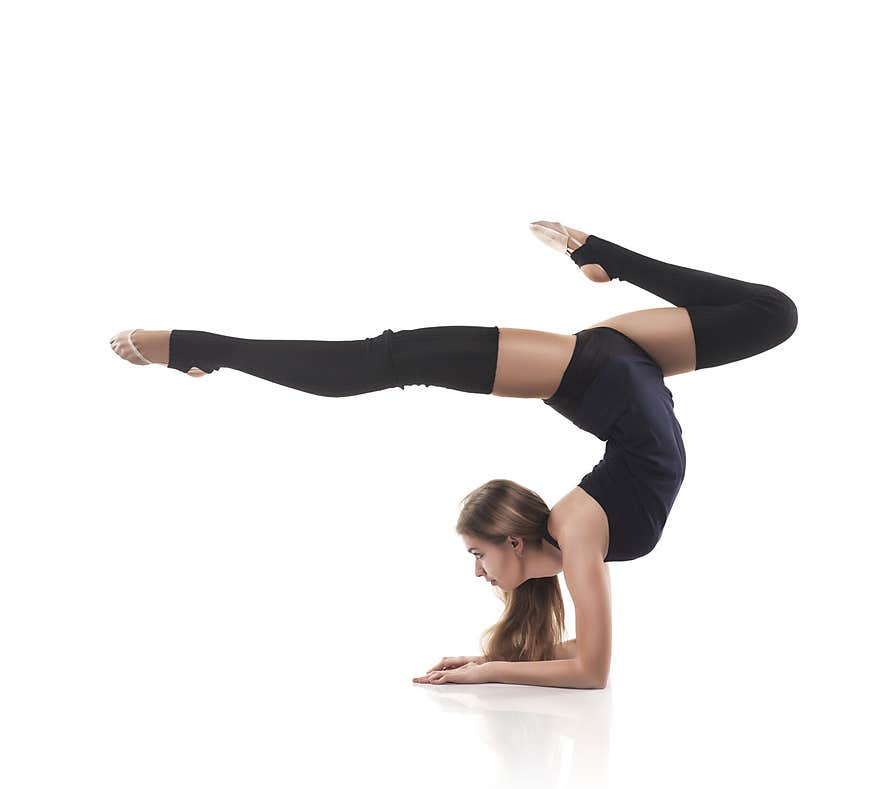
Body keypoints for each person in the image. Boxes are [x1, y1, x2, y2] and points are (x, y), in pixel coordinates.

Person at [109, 222, 797, 690]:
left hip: (623, 368)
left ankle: (607, 258)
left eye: (474, 554)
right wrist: (486, 669)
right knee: (377, 361)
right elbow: (592, 669)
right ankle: (204, 346)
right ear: (517, 541)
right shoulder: (581, 534)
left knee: (776, 312)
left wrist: (486, 662)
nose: (477, 570)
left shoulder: (579, 532)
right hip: (600, 370)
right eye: (477, 554)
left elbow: (586, 659)